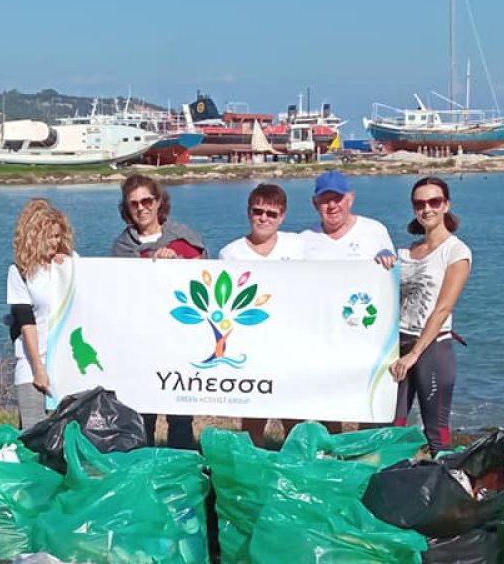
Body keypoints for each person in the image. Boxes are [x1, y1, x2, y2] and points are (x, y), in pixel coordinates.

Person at [111, 173, 208, 449]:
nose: (141, 208)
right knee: (142, 416)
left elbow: (205, 282)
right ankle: (143, 474)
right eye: (134, 204)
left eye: (146, 201)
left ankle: (183, 474)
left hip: (179, 342)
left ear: (158, 202)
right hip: (141, 344)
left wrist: (178, 265)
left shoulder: (185, 239)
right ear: (127, 209)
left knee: (180, 416)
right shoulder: (122, 247)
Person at [300, 169, 396, 432]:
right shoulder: (304, 240)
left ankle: (366, 451)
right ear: (315, 203)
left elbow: (391, 279)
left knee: (368, 397)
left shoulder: (374, 230)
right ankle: (332, 449)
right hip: (324, 334)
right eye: (325, 200)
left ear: (350, 199)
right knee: (329, 398)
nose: (332, 206)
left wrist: (388, 260)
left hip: (365, 331)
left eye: (337, 198)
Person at [391, 176, 472, 454]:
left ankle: (448, 490)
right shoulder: (404, 252)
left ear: (446, 205)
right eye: (419, 203)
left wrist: (414, 355)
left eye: (434, 202)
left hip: (433, 348)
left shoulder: (456, 251)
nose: (427, 209)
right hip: (398, 345)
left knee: (436, 431)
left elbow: (443, 307)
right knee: (392, 426)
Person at [219, 183, 304, 446]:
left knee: (292, 411)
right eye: (258, 211)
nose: (264, 218)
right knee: (254, 412)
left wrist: (379, 259)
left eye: (272, 213)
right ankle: (253, 464)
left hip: (290, 340)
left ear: (283, 216)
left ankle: (294, 464)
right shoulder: (229, 253)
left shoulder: (298, 245)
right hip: (249, 343)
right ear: (248, 213)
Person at [6, 198, 75, 430]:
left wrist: (68, 266)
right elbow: (27, 323)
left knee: (64, 435)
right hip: (32, 365)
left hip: (67, 364)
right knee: (33, 433)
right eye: (49, 237)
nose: (55, 242)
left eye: (57, 236)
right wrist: (38, 370)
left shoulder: (71, 263)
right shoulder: (20, 272)